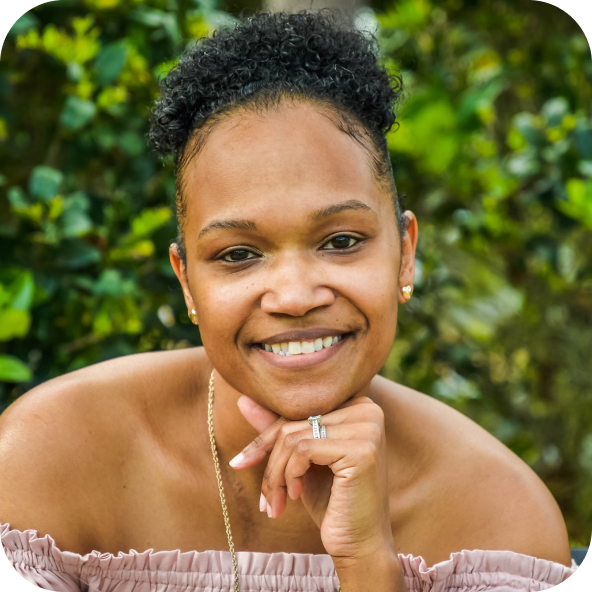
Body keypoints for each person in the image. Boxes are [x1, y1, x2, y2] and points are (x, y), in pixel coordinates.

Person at [0, 10, 579, 592]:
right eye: (237, 254)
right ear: (187, 281)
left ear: (405, 255)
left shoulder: (498, 518)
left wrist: (369, 563)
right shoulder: (50, 458)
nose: (295, 297)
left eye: (341, 241)